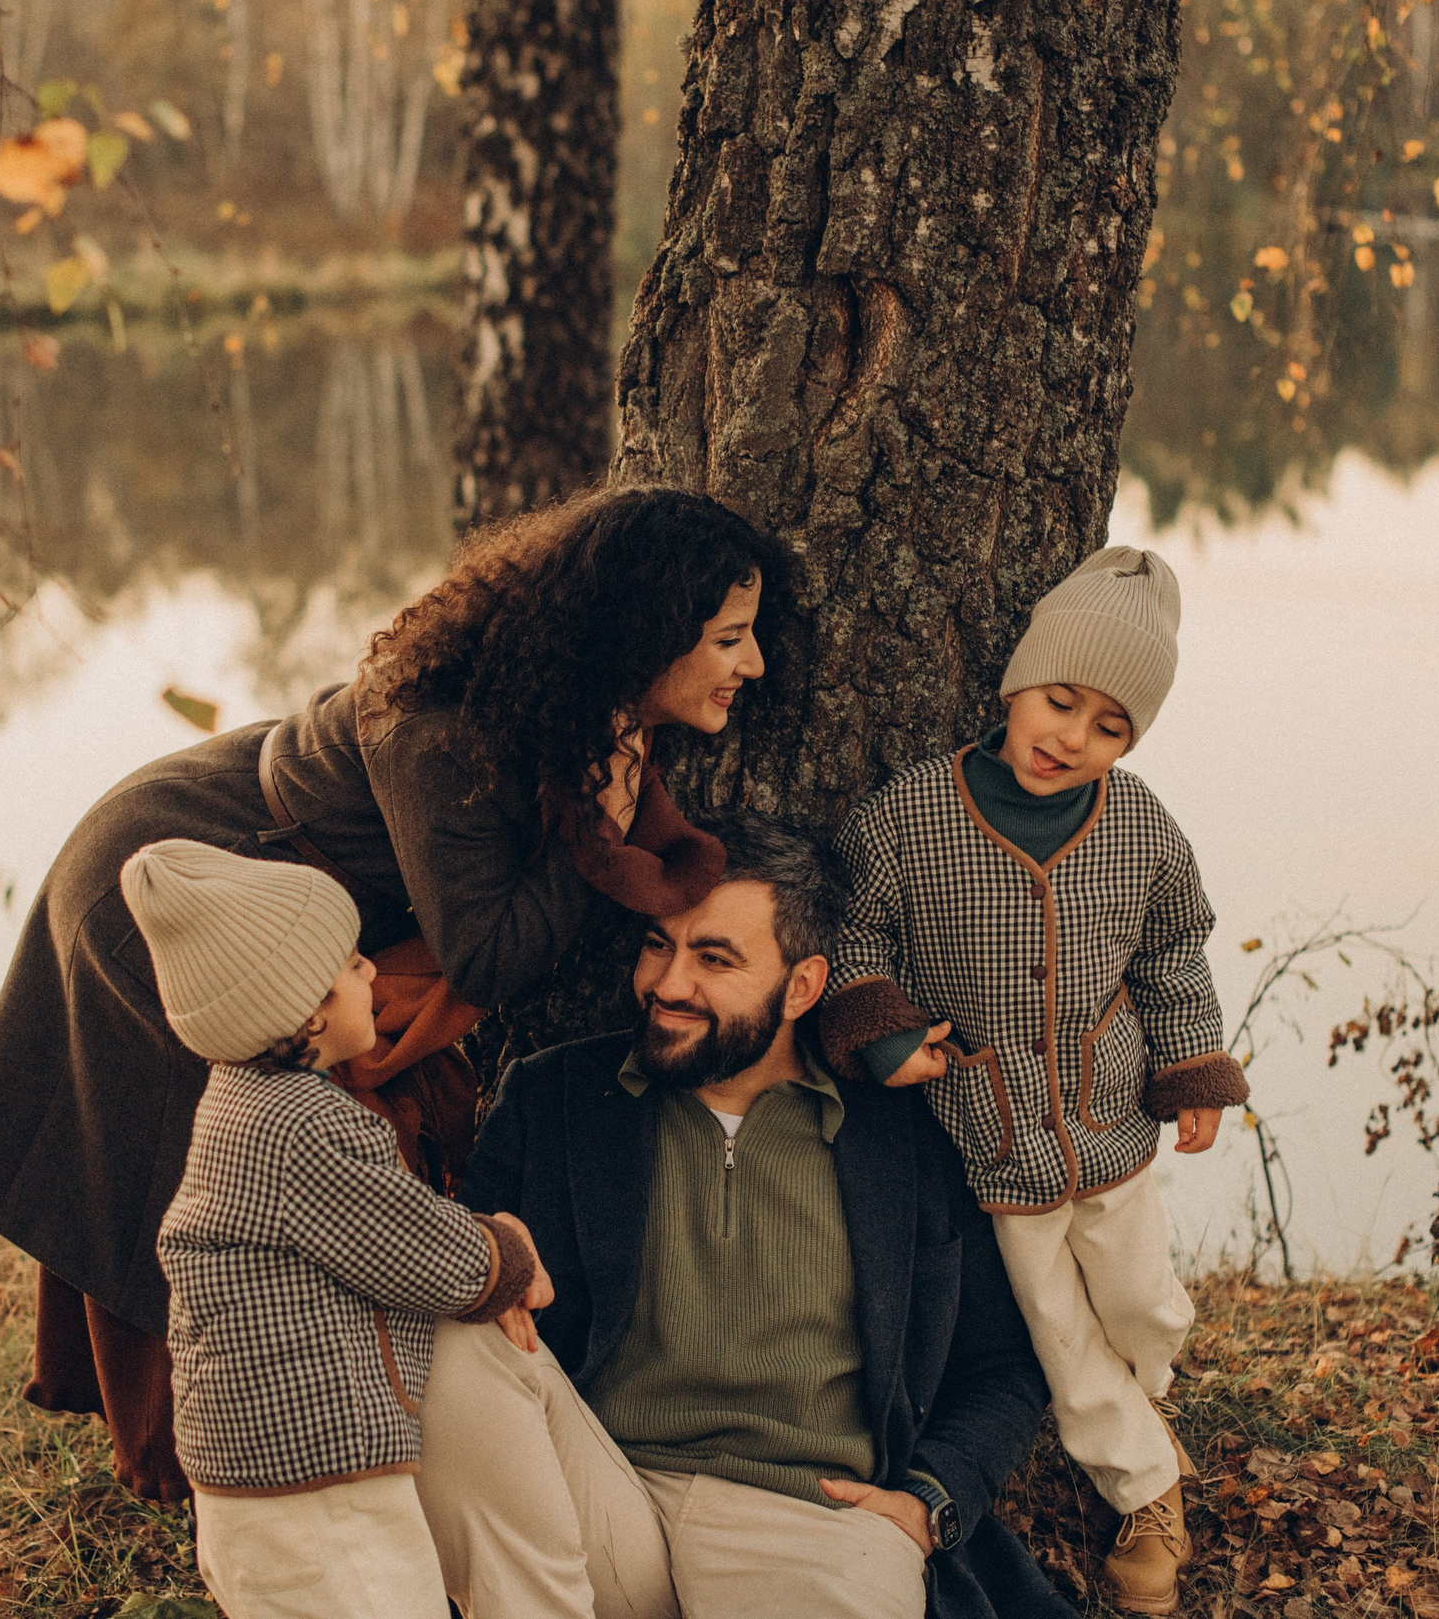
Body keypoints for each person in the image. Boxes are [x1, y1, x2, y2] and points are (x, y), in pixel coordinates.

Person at [0, 487, 796, 1501]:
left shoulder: (577, 703)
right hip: (173, 875)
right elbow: (487, 957)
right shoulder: (443, 733)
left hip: (275, 884)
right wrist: (589, 836)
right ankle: (176, 1458)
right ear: (646, 630)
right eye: (730, 637)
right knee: (167, 1160)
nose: (754, 662)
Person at [416, 813, 1076, 1619]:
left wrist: (928, 1502)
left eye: (714, 959)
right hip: (595, 1493)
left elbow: (1003, 1361)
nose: (667, 984)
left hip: (814, 1523)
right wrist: (484, 1253)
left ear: (802, 987)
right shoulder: (555, 1098)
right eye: (659, 944)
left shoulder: (906, 1135)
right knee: (456, 1331)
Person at [817, 546, 1247, 1616]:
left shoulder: (1140, 825)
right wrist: (884, 1033)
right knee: (1054, 1321)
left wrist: (1192, 1069)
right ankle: (1148, 1492)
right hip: (990, 1126)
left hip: (1107, 1119)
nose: (1072, 739)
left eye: (1111, 726)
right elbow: (854, 931)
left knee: (1143, 1301)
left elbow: (1171, 951)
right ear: (1015, 680)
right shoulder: (910, 814)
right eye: (1059, 702)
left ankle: (1144, 1406)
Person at [123, 840, 545, 1617]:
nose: (374, 974)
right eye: (353, 964)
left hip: (259, 1483)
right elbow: (423, 1251)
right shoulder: (306, 1128)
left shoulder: (238, 1101)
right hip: (314, 1490)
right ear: (308, 1005)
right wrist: (508, 1256)